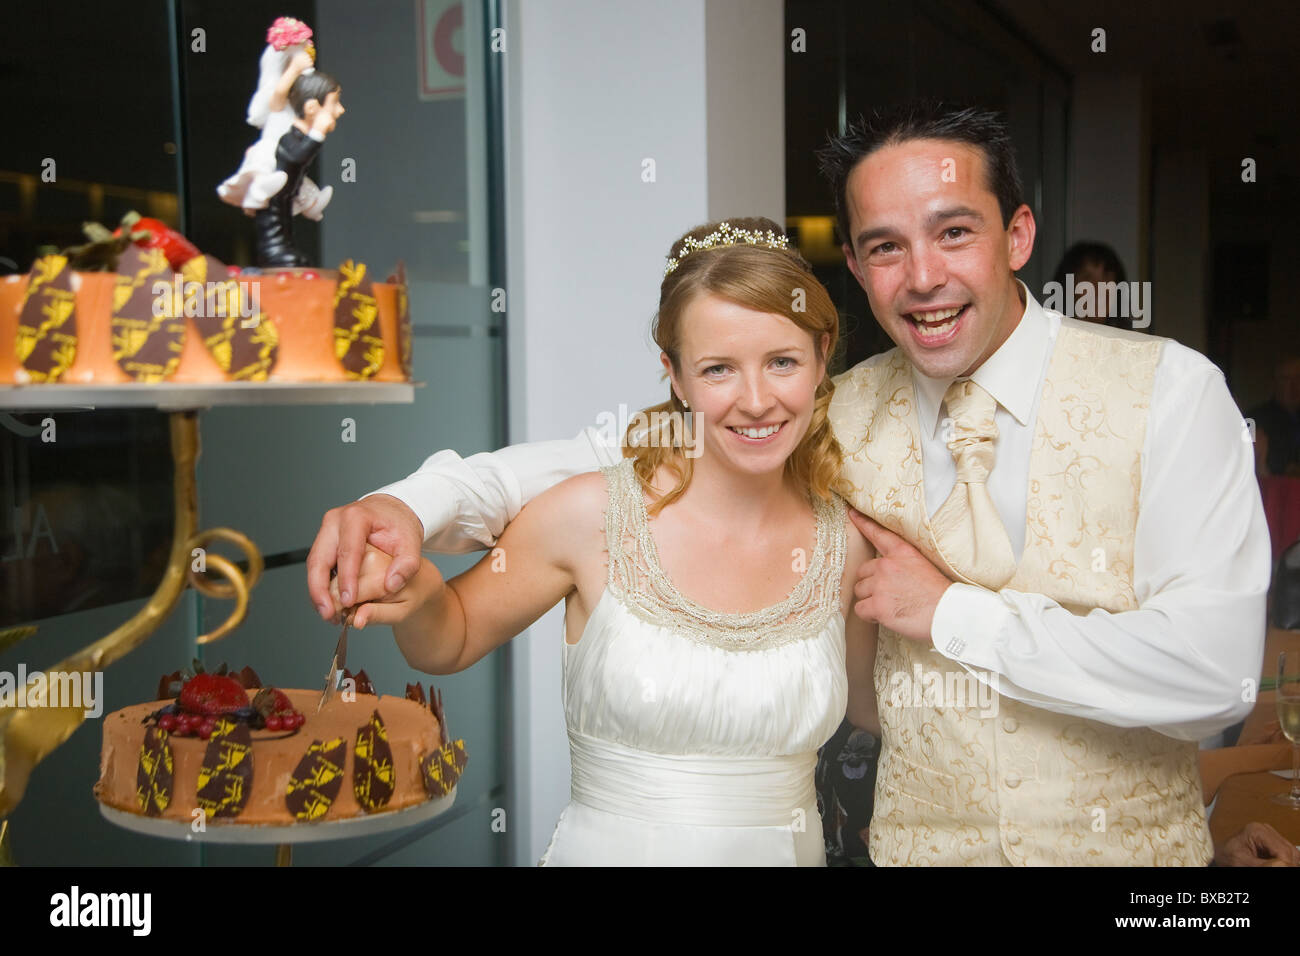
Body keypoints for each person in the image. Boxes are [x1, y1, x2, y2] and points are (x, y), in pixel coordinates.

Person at [309, 102, 1270, 866]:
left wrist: (952, 616)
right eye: (887, 246)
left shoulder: (1172, 394)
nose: (923, 276)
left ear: (1019, 234)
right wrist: (411, 504)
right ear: (855, 266)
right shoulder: (826, 410)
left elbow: (1215, 675)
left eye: (954, 232)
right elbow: (605, 463)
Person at [322, 218, 878, 865]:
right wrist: (416, 596)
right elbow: (450, 636)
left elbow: (874, 708)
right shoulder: (591, 512)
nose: (756, 400)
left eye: (782, 362)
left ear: (821, 355)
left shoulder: (848, 543)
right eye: (718, 368)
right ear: (675, 375)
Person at [217, 17, 333, 221]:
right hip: (275, 142)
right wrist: (294, 69)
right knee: (267, 163)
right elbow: (277, 99)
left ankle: (311, 203)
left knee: (296, 177)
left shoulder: (295, 95)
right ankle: (259, 191)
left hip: (289, 142)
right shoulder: (277, 91)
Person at [253, 72, 344, 267]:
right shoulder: (287, 139)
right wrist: (317, 132)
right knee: (275, 213)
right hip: (273, 202)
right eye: (334, 103)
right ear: (311, 108)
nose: (340, 110)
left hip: (285, 201)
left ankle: (283, 245)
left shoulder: (298, 137)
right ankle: (274, 248)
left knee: (284, 214)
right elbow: (295, 158)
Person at [1048, 240, 1130, 328]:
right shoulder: (1053, 335)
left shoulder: (1128, 340)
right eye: (1088, 278)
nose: (1100, 287)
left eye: (1106, 278)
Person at [1246, 352, 1300, 478]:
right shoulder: (1252, 418)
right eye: (1286, 379)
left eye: (1298, 378)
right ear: (1274, 383)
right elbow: (1247, 461)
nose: (1294, 386)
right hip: (1272, 491)